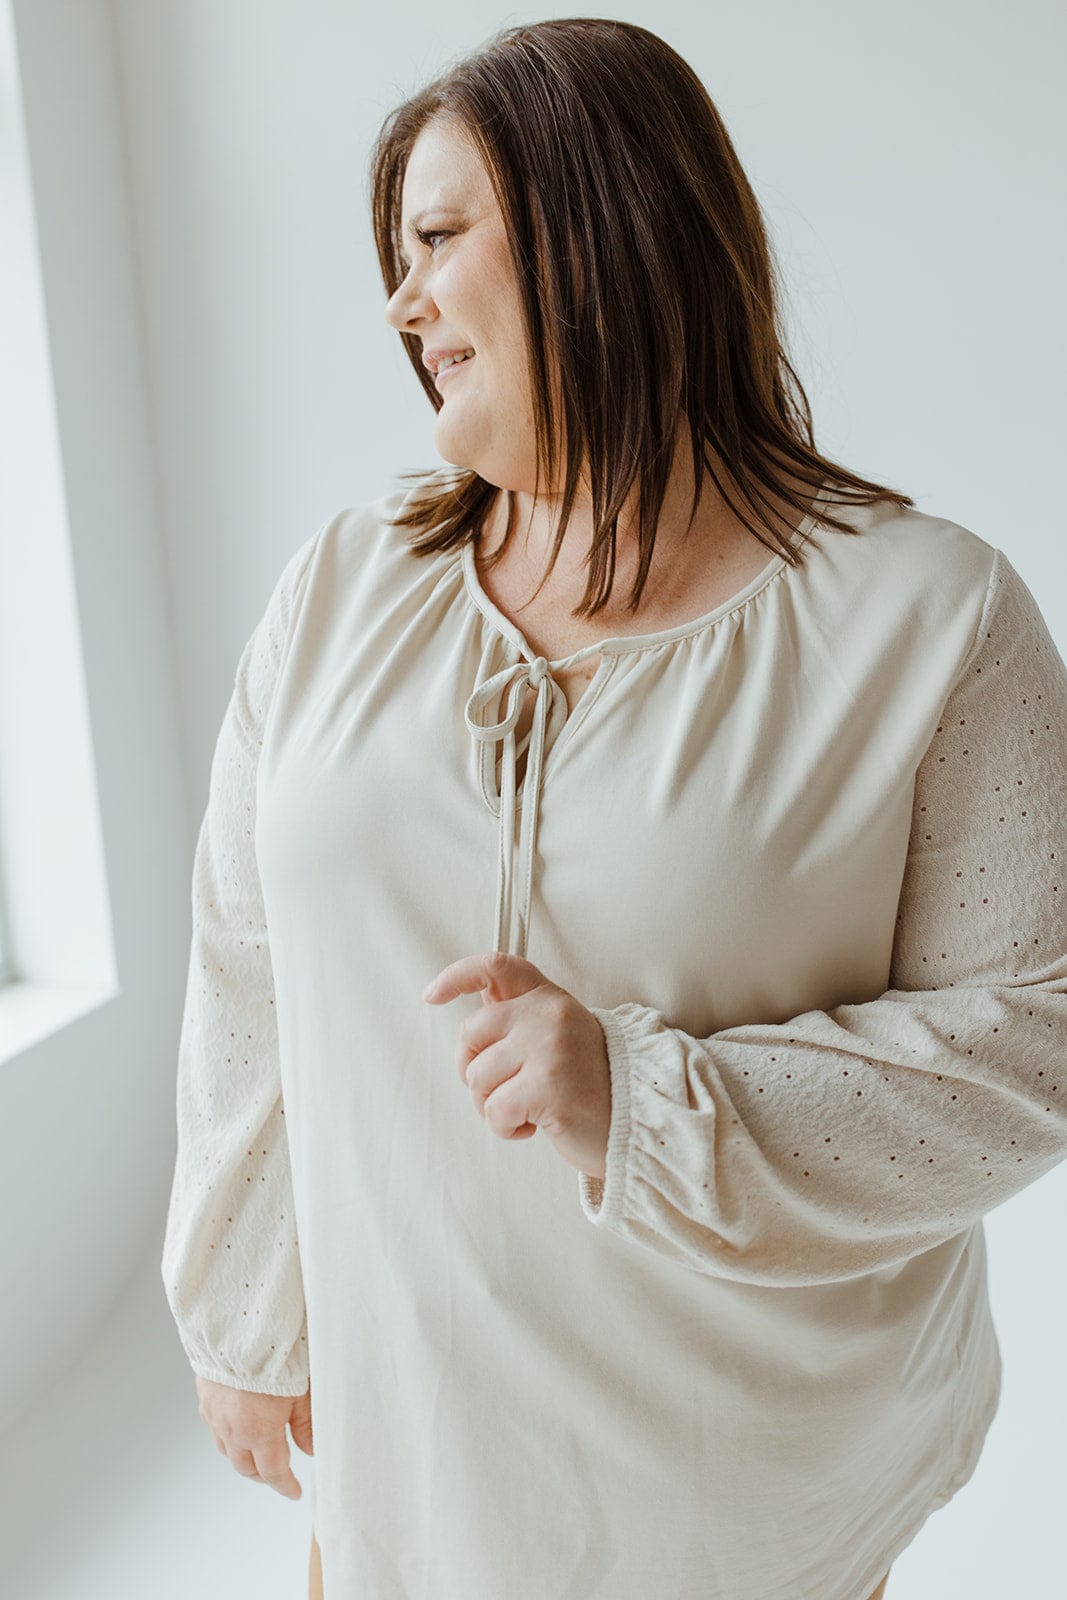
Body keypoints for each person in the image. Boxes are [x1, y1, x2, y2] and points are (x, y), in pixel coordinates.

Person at [160, 18, 1067, 1600]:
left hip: (749, 1511)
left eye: (439, 236)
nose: (401, 299)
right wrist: (244, 1306)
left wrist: (642, 1102)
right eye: (397, 254)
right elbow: (246, 951)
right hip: (409, 1481)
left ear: (602, 232)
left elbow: (1032, 1041)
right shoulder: (340, 587)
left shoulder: (934, 625)